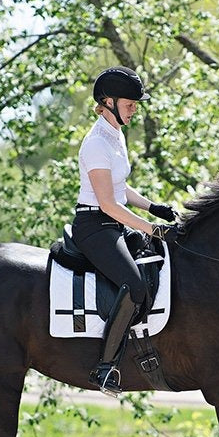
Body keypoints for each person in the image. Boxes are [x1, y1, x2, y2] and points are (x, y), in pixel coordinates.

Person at [72, 66, 179, 396]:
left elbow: (119, 186)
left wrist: (152, 206)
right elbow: (107, 203)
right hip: (94, 227)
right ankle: (105, 368)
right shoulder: (95, 145)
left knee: (160, 259)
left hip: (114, 222)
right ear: (108, 102)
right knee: (133, 285)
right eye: (131, 104)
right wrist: (152, 228)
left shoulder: (114, 135)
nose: (135, 110)